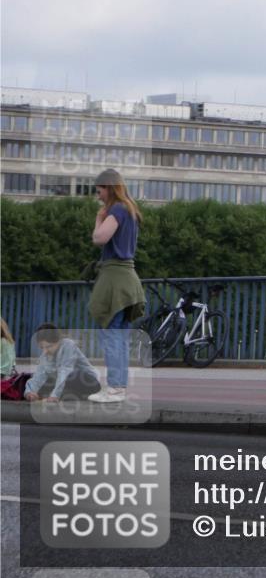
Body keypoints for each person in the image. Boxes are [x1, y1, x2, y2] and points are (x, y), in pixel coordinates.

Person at [87, 169, 146, 403]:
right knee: (118, 335)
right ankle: (118, 387)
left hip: (115, 278)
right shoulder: (131, 210)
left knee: (111, 333)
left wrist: (99, 219)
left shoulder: (118, 210)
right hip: (128, 277)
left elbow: (99, 238)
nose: (98, 195)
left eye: (99, 190)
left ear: (110, 188)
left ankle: (114, 388)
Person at [24, 323, 101, 402]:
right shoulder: (45, 355)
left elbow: (65, 371)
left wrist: (55, 395)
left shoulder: (68, 345)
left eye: (49, 346)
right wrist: (30, 392)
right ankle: (72, 396)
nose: (45, 351)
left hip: (88, 381)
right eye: (41, 347)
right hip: (67, 384)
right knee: (47, 381)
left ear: (59, 341)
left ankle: (59, 395)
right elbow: (38, 375)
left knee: (69, 375)